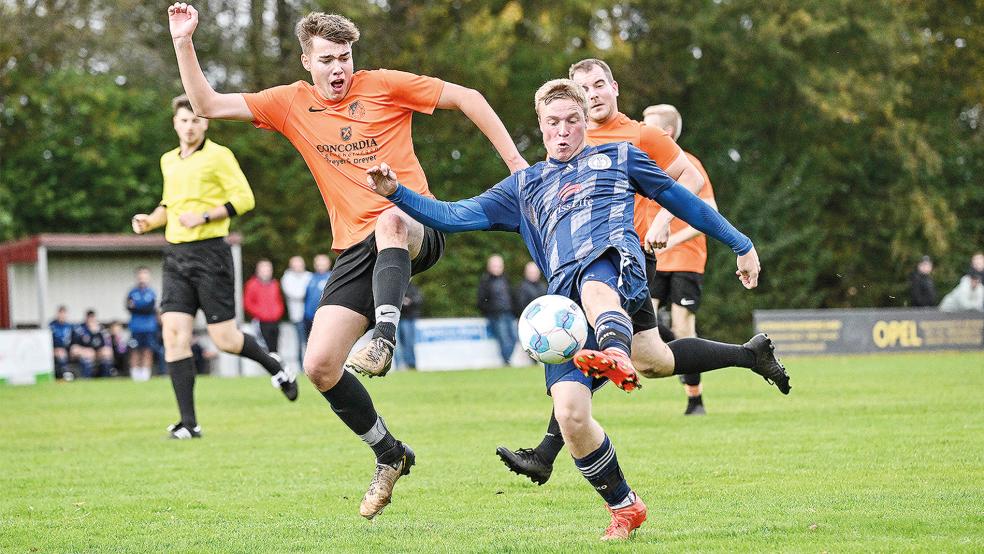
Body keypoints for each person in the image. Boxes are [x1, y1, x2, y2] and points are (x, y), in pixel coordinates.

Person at [365, 79, 789, 540]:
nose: (563, 131)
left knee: (595, 281)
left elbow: (684, 200)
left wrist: (741, 244)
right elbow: (453, 215)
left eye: (572, 121)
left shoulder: (621, 157)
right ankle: (626, 505)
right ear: (541, 127)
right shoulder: (524, 186)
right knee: (583, 407)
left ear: (586, 122)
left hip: (617, 265)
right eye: (553, 123)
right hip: (562, 307)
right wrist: (396, 192)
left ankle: (614, 352)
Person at [166, 4, 527, 517]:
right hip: (356, 250)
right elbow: (205, 103)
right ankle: (389, 453)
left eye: (346, 57)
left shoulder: (383, 85)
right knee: (318, 366)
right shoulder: (288, 103)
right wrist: (183, 41)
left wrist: (516, 165)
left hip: (414, 220)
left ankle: (384, 336)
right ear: (306, 62)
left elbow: (467, 97)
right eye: (329, 59)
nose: (340, 69)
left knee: (390, 220)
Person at [131, 93, 298, 440]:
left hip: (210, 254)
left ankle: (276, 366)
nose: (190, 126)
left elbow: (245, 199)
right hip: (176, 255)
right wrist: (151, 220)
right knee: (173, 334)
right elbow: (169, 203)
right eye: (183, 120)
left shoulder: (220, 156)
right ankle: (188, 423)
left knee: (224, 339)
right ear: (175, 123)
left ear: (205, 122)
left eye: (195, 120)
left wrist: (205, 216)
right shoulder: (168, 161)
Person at [642, 103, 719, 415]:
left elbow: (711, 212)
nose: (642, 131)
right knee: (640, 316)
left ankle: (695, 397)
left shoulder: (688, 163)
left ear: (668, 132)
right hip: (653, 256)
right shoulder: (643, 161)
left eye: (649, 126)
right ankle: (683, 354)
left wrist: (673, 238)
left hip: (686, 257)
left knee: (683, 325)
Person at [478, 254, 517, 365]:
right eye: (494, 265)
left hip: (509, 313)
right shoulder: (485, 281)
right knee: (504, 339)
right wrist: (490, 311)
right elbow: (481, 300)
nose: (497, 268)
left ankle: (508, 360)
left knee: (514, 338)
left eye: (499, 265)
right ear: (489, 267)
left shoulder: (506, 279)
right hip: (496, 315)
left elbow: (511, 296)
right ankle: (507, 362)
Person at [244, 258, 286, 355]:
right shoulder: (252, 284)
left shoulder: (274, 284)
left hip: (275, 321)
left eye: (268, 269)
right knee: (263, 346)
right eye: (263, 269)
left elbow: (279, 300)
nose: (266, 272)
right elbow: (248, 303)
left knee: (274, 347)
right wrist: (261, 313)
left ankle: (276, 365)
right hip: (261, 321)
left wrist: (277, 313)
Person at [126, 266, 160, 382]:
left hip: (149, 327)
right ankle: (135, 376)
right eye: (140, 275)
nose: (142, 278)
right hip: (136, 327)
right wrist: (142, 307)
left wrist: (138, 307)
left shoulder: (151, 292)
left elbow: (150, 307)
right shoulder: (132, 292)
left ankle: (145, 375)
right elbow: (129, 307)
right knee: (135, 350)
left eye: (145, 275)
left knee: (147, 350)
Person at [281, 255, 312, 367]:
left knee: (312, 342)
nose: (298, 266)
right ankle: (302, 366)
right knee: (301, 342)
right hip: (297, 316)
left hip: (311, 315)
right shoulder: (287, 278)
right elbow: (297, 294)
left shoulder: (309, 276)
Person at [70, 310, 115, 378]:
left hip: (97, 353)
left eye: (92, 318)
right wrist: (84, 350)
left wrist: (95, 332)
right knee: (88, 355)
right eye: (89, 318)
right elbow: (74, 348)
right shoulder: (79, 329)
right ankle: (86, 378)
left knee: (106, 354)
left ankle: (105, 378)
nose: (91, 320)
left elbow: (106, 345)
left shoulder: (101, 329)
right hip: (85, 353)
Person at [303, 254, 333, 342]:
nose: (320, 266)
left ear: (328, 264)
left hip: (325, 317)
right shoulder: (309, 277)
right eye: (318, 263)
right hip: (309, 317)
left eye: (323, 263)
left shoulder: (332, 277)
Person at [395, 280, 423, 370]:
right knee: (396, 345)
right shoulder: (395, 286)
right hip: (396, 319)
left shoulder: (412, 287)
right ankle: (400, 366)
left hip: (408, 318)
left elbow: (419, 299)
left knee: (409, 343)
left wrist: (409, 301)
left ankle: (411, 365)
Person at [49, 305, 74, 380]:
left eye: (64, 313)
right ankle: (63, 375)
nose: (62, 316)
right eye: (61, 313)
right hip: (55, 350)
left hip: (67, 350)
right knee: (61, 353)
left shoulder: (69, 326)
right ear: (57, 314)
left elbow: (74, 340)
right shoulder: (51, 326)